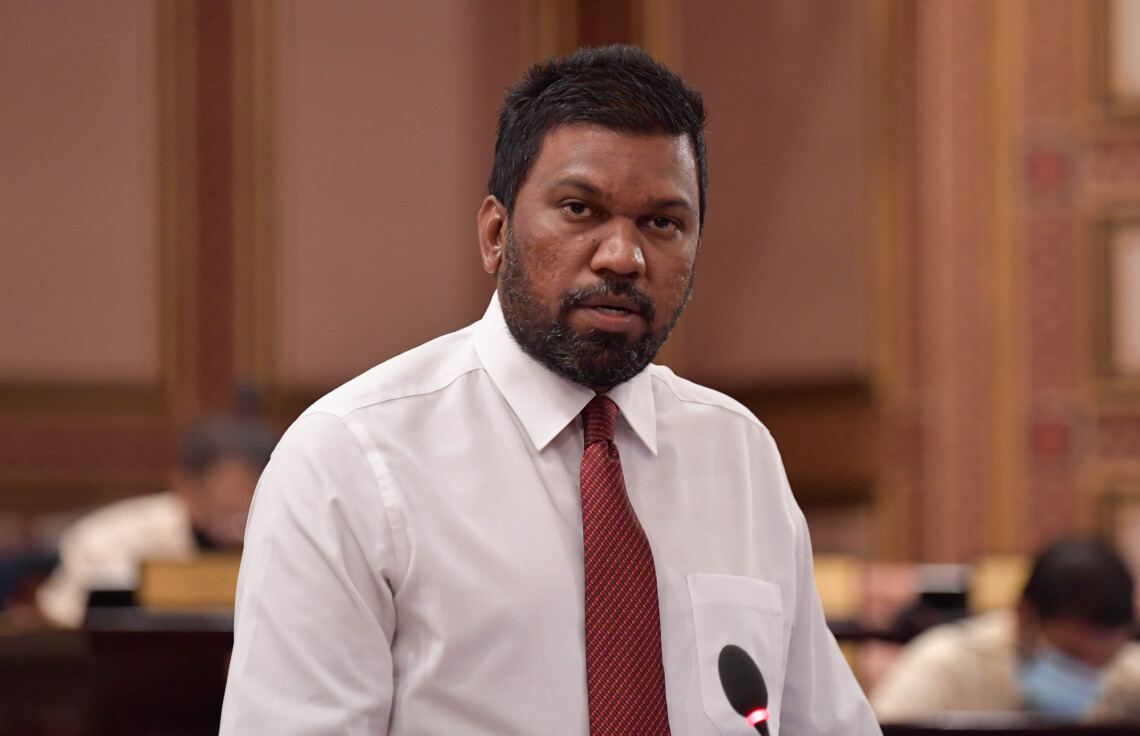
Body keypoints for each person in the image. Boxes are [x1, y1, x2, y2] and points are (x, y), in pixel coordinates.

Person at [220, 45, 880, 735]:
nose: (623, 256)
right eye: (580, 209)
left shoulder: (739, 454)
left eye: (663, 223)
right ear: (495, 233)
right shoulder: (351, 461)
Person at [35, 415, 277, 627]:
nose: (241, 525)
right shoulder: (106, 544)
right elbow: (59, 625)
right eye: (230, 511)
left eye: (253, 507)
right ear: (186, 488)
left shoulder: (281, 536)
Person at [872, 537, 1140, 724]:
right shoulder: (945, 663)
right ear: (1024, 616)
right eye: (1072, 655)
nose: (1087, 675)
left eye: (1104, 661)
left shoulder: (1129, 675)